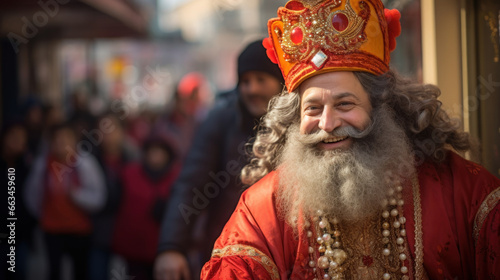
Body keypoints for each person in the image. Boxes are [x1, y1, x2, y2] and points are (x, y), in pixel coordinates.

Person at [200, 1, 500, 279]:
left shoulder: (457, 188)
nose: (328, 124)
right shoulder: (263, 207)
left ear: (382, 107)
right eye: (313, 109)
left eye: (345, 105)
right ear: (295, 120)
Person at [154, 40, 284, 280]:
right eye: (245, 81)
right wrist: (171, 247)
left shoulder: (299, 122)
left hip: (285, 255)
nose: (251, 88)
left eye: (260, 79)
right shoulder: (221, 120)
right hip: (228, 256)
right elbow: (190, 186)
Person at [24, 122, 106, 280]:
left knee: (80, 271)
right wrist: (42, 215)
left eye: (66, 138)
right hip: (51, 229)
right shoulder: (42, 164)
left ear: (75, 141)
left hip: (80, 229)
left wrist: (77, 195)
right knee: (54, 271)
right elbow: (32, 194)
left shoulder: (86, 163)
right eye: (57, 138)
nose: (61, 142)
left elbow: (99, 197)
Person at [112, 136, 181, 280]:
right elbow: (113, 204)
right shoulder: (128, 173)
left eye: (160, 152)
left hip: (162, 248)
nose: (155, 157)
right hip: (132, 247)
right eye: (152, 152)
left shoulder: (178, 177)